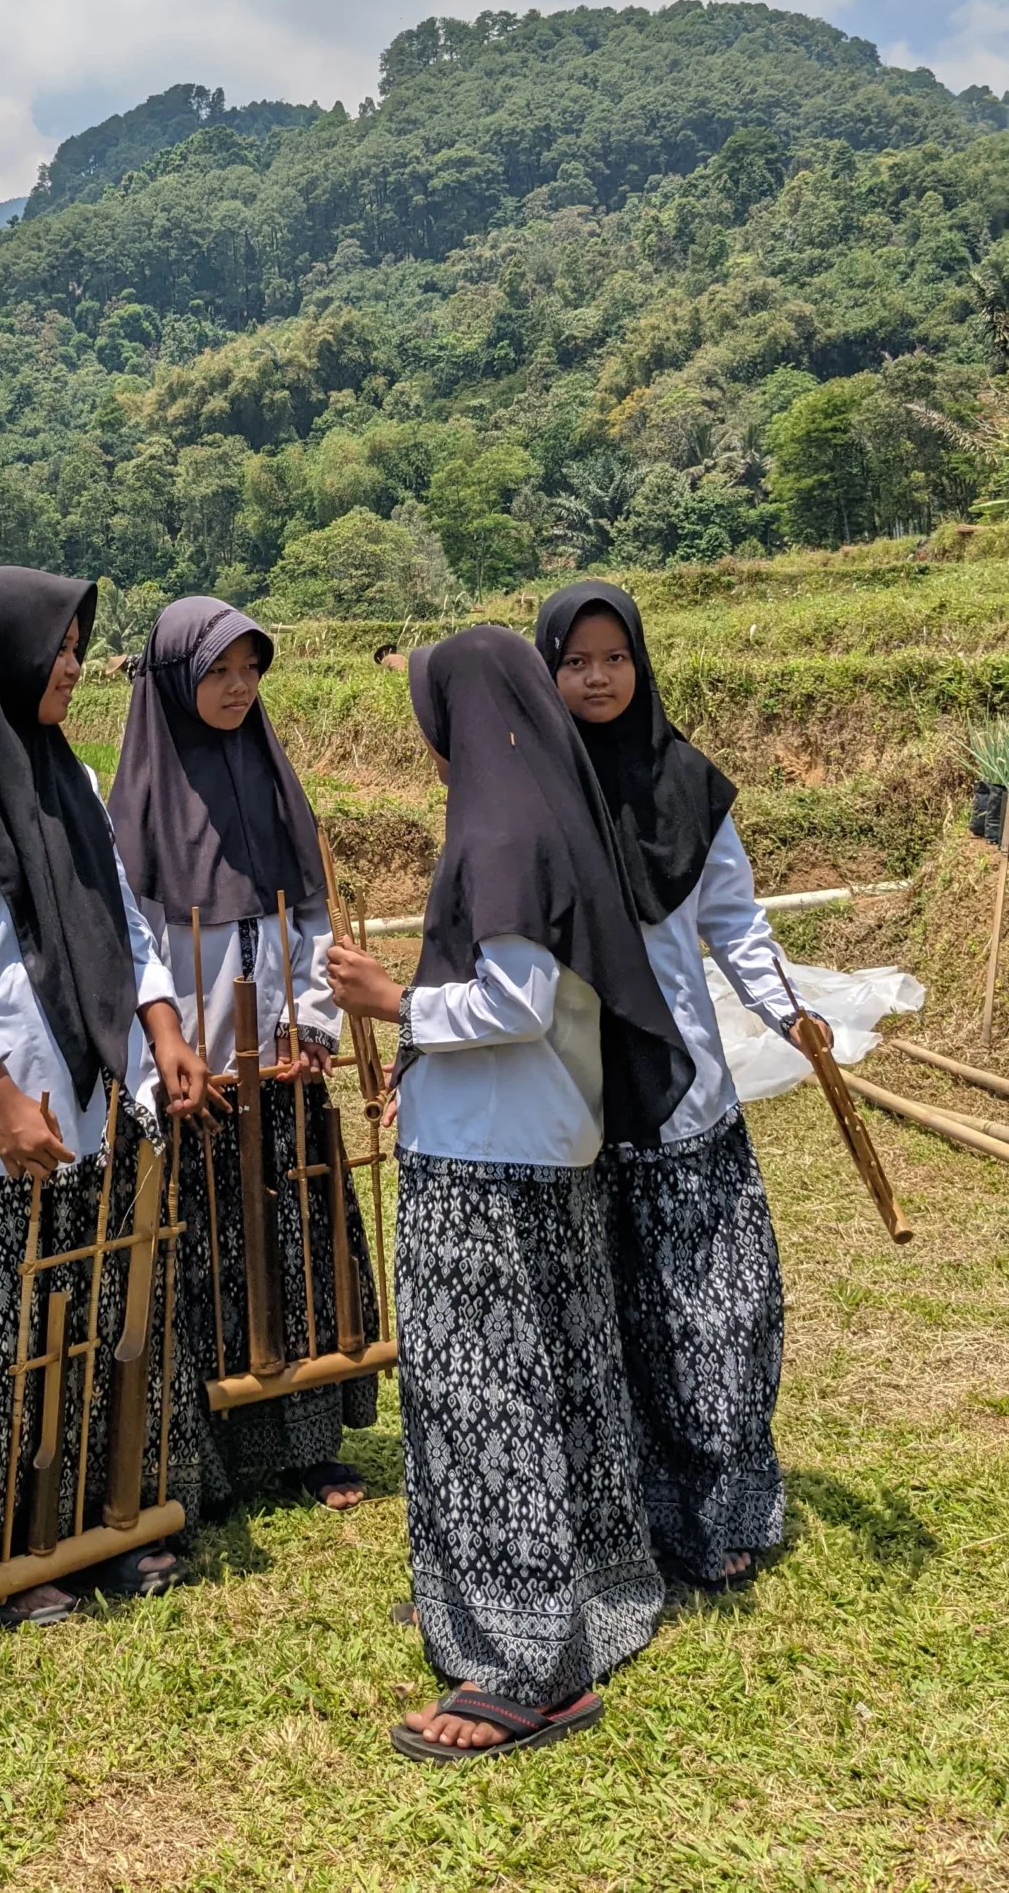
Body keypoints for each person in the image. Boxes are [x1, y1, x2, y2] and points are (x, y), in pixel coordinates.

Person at [328, 625, 693, 1763]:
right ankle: (570, 1596)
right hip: (546, 1140)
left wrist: (395, 1005)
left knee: (487, 1400)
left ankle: (522, 1665)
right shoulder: (553, 804)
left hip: (488, 1160)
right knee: (561, 1378)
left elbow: (515, 999)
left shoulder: (496, 825)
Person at [0, 567, 210, 1652]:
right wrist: (0, 1092)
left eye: (78, 646)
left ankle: (80, 1529)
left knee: (82, 1331)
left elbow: (124, 920)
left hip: (78, 1108)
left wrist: (161, 1027)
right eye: (57, 648)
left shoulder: (71, 781)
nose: (72, 664)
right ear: (3, 658)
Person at [536, 581, 789, 1594]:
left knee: (717, 1308)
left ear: (639, 661)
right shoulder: (540, 790)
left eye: (614, 657)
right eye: (575, 660)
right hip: (582, 1089)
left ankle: (721, 1506)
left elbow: (735, 921)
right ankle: (627, 1512)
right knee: (607, 1316)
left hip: (687, 1090)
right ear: (547, 669)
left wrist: (786, 1011)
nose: (597, 677)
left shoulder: (687, 782)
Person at [109, 595, 379, 1514]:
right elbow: (131, 940)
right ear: (175, 682)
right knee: (202, 1255)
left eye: (250, 671)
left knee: (298, 1244)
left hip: (284, 1065)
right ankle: (216, 1461)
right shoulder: (135, 801)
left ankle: (308, 1446)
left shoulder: (270, 776)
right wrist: (168, 1047)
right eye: (217, 672)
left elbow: (306, 913)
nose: (236, 689)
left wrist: (311, 1021)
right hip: (198, 1077)